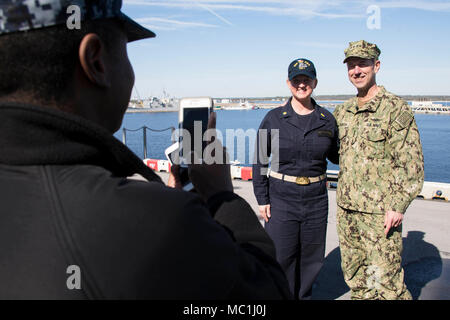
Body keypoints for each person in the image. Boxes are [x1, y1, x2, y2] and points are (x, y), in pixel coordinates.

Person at [0, 0, 291, 299]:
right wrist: (222, 196)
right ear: (96, 61)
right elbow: (266, 295)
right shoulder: (160, 219)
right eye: (126, 53)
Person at [333, 40, 424, 300]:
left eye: (362, 64)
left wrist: (397, 206)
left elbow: (411, 163)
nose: (356, 70)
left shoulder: (394, 109)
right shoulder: (343, 111)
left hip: (380, 213)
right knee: (357, 280)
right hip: (348, 210)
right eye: (351, 65)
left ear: (377, 65)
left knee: (386, 283)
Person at [252, 58, 339, 300]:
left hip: (316, 199)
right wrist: (262, 198)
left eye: (307, 79)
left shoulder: (327, 119)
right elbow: (259, 159)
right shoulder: (274, 118)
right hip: (281, 197)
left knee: (311, 259)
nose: (302, 84)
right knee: (281, 256)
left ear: (315, 83)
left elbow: (338, 155)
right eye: (296, 80)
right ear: (288, 83)